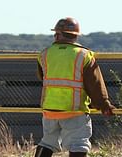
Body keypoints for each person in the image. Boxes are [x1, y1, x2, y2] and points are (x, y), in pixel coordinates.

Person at [35, 17, 116, 157]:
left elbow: (42, 76)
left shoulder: (45, 54)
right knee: (79, 143)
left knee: (48, 142)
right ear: (75, 36)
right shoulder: (84, 55)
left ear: (58, 34)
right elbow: (94, 83)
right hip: (74, 109)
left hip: (49, 109)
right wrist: (104, 104)